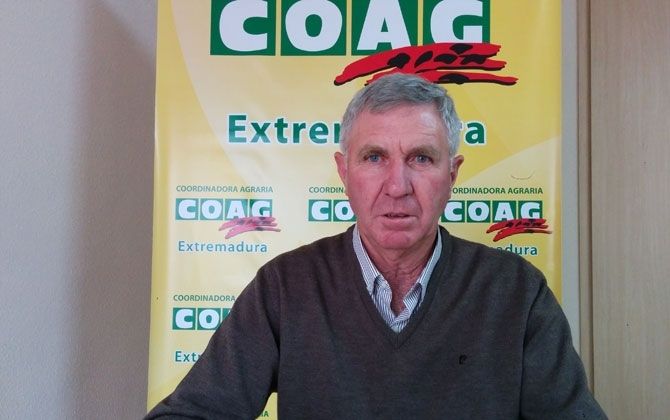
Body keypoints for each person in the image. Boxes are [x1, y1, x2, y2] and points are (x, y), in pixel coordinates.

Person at [146, 74, 606, 419]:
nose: (397, 186)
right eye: (374, 157)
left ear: (452, 174)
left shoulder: (516, 291)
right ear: (344, 172)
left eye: (420, 158)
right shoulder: (286, 287)